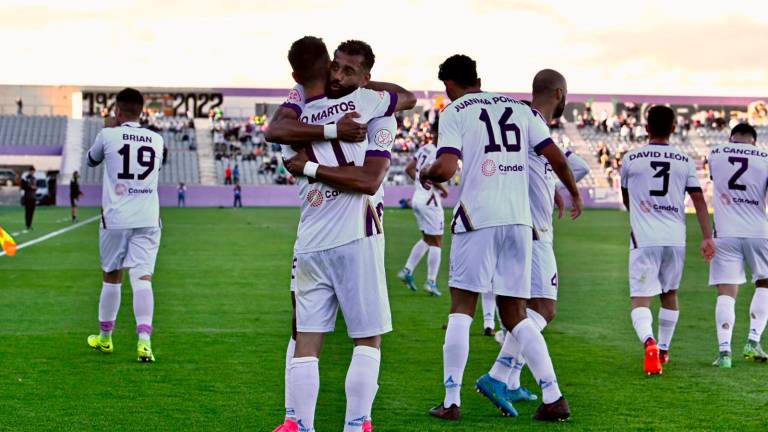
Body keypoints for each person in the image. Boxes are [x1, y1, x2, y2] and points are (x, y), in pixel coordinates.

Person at [265, 36, 415, 432]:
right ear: (328, 64)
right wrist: (364, 95)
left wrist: (311, 166)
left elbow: (274, 132)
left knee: (305, 343)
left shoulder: (291, 126)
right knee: (366, 339)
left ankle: (299, 423)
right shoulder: (369, 106)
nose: (339, 74)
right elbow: (370, 176)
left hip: (311, 244)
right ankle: (355, 423)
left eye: (348, 70)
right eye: (337, 67)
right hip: (357, 237)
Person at [421, 55, 581, 422]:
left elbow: (446, 167)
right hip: (520, 223)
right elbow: (555, 156)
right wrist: (572, 191)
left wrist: (427, 174)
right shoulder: (517, 107)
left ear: (448, 86)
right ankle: (553, 395)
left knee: (462, 307)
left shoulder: (456, 110)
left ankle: (451, 401)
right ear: (478, 77)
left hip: (478, 217)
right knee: (517, 314)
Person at [491, 70, 591, 397]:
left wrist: (552, 191)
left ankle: (511, 379)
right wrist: (573, 192)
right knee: (543, 309)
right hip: (533, 231)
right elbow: (561, 162)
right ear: (560, 94)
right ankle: (498, 375)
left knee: (527, 309)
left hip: (521, 225)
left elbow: (522, 169)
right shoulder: (533, 123)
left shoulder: (521, 121)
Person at [620, 105, 714, 375]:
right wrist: (708, 237)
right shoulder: (684, 160)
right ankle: (663, 349)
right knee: (669, 294)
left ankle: (648, 342)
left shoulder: (631, 158)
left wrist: (639, 213)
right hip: (675, 238)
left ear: (646, 128)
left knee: (641, 299)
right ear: (674, 128)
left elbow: (627, 198)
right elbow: (698, 198)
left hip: (644, 238)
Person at [84, 88, 164, 363]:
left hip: (116, 217)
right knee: (142, 278)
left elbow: (91, 160)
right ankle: (144, 342)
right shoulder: (157, 139)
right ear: (141, 111)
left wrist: (109, 129)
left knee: (112, 275)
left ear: (117, 112)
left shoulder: (107, 134)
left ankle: (105, 338)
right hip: (147, 216)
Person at [707, 123, 768, 367]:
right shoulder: (765, 156)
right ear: (754, 140)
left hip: (725, 231)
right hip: (758, 231)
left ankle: (724, 353)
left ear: (731, 138)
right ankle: (753, 340)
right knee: (764, 282)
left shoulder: (716, 152)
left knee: (726, 291)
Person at [398, 136, 448, 296]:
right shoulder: (439, 153)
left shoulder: (424, 148)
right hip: (430, 200)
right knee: (437, 241)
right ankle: (431, 282)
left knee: (427, 239)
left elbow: (408, 169)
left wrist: (421, 182)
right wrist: (443, 189)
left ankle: (407, 270)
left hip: (418, 197)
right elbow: (433, 174)